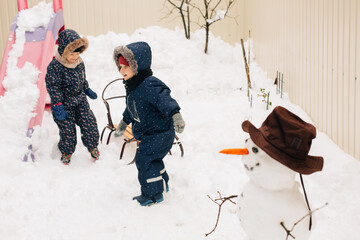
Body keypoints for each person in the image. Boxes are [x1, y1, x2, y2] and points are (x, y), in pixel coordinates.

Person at [113, 41, 185, 206]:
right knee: (153, 159)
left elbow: (164, 99)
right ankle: (161, 181)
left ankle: (153, 194)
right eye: (119, 67)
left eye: (125, 66)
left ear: (137, 65)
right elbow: (131, 109)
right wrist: (124, 123)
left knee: (144, 160)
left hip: (159, 133)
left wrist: (176, 115)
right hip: (151, 133)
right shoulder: (133, 86)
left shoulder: (149, 84)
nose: (121, 70)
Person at [45, 29, 100, 165]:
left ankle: (93, 146)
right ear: (64, 51)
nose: (75, 57)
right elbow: (53, 86)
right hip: (63, 104)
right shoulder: (55, 66)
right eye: (71, 54)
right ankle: (66, 151)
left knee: (89, 123)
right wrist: (57, 104)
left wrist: (86, 89)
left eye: (77, 53)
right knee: (68, 130)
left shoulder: (79, 63)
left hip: (80, 100)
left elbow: (82, 79)